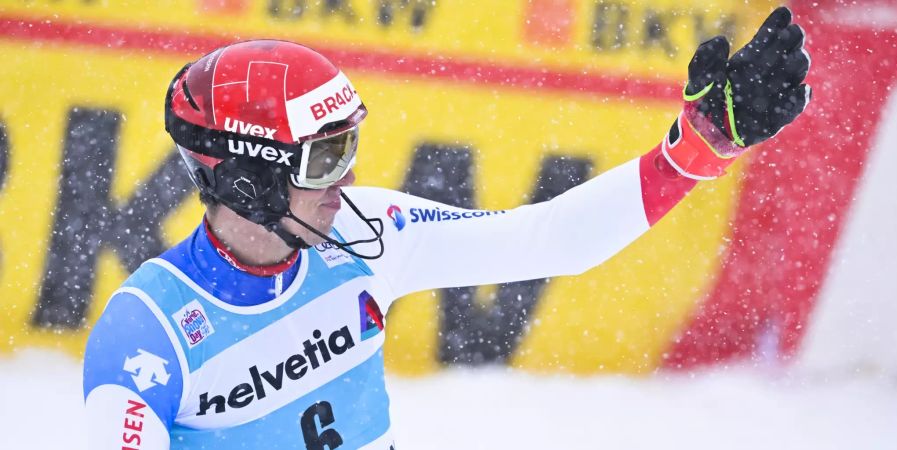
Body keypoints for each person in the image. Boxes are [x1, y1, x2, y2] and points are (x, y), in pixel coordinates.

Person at [83, 7, 810, 449]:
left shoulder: (372, 234)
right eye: (325, 155)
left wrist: (696, 150)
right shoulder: (147, 334)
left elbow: (550, 238)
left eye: (350, 148)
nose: (346, 180)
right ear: (250, 176)